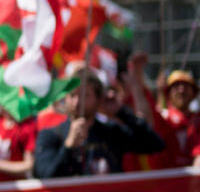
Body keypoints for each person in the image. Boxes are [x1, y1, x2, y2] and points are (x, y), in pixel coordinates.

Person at [34, 68, 164, 178]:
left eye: (85, 96)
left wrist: (121, 112)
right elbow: (46, 175)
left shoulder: (111, 133)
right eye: (72, 95)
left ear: (98, 100)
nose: (77, 102)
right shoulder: (50, 135)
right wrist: (68, 146)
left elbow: (155, 144)